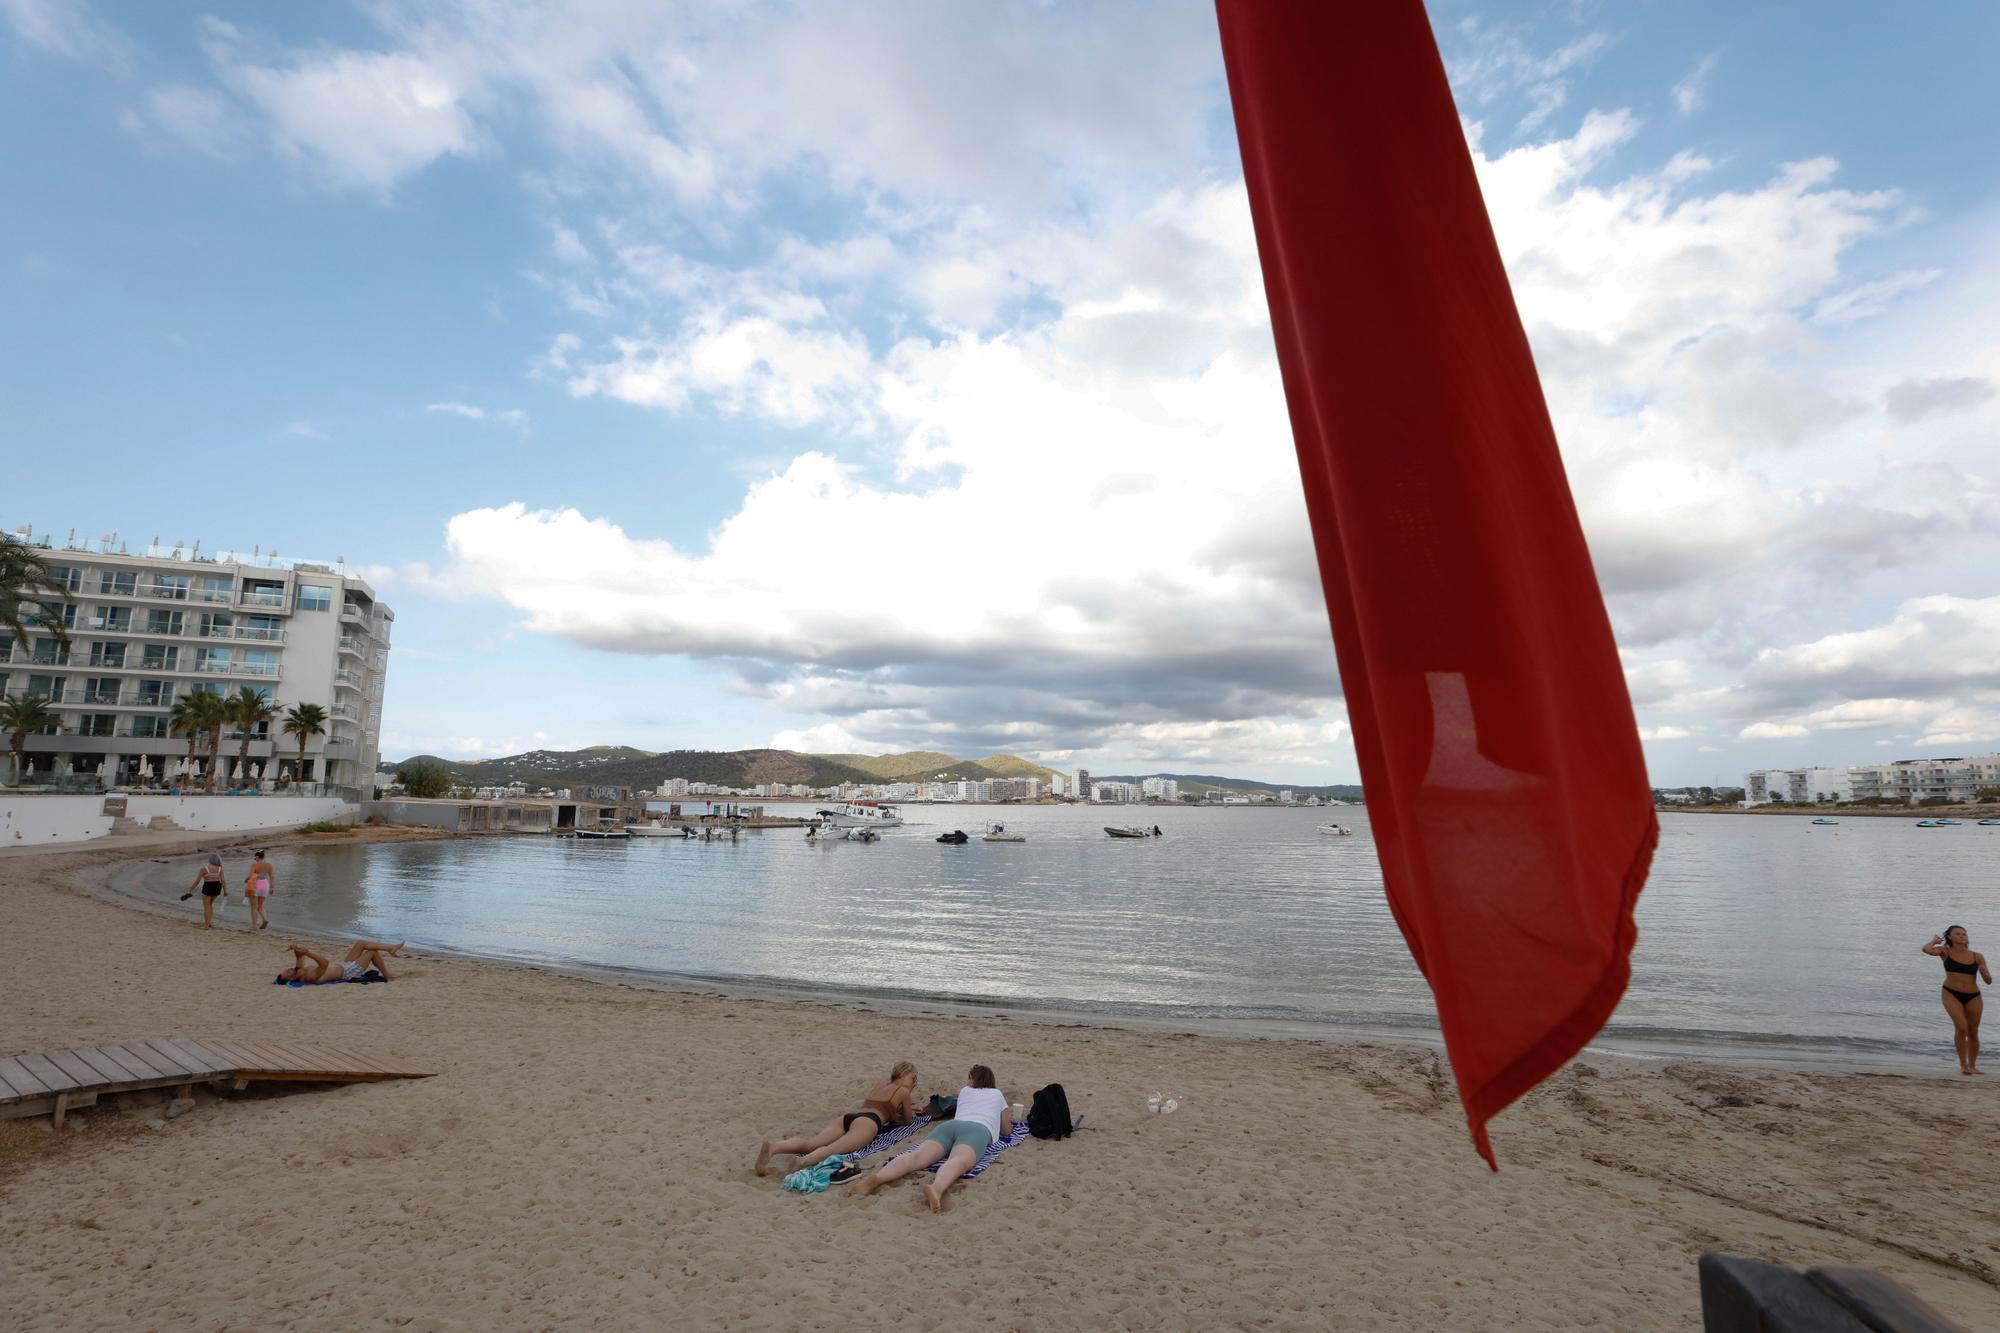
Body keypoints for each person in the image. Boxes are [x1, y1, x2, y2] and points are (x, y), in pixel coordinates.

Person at [846, 1063, 1014, 1212]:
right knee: (958, 1161)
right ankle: (936, 1188)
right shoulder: (997, 1094)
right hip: (977, 1129)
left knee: (916, 1156)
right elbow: (1006, 1131)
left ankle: (879, 1178)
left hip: (950, 1127)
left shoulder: (965, 1091)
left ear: (972, 1079)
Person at [755, 1062, 919, 1176]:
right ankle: (802, 1161)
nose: (915, 1083)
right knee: (833, 1149)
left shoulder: (880, 1085)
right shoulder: (903, 1092)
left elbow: (882, 1105)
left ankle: (774, 1147)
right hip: (868, 1123)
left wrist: (894, 1111)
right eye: (913, 1078)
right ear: (903, 1075)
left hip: (849, 1117)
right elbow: (907, 1121)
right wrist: (906, 1109)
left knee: (812, 1143)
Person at [1924, 926, 1991, 1075]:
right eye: (1958, 934)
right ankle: (1963, 1065)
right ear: (1950, 936)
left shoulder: (1977, 956)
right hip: (1950, 993)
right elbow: (1926, 950)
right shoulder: (1945, 951)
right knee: (1961, 1027)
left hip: (1973, 995)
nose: (1962, 936)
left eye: (1964, 934)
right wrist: (1933, 941)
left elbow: (1988, 981)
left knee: (1973, 1032)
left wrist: (1985, 974)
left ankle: (1972, 1065)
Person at [276, 939, 406, 984]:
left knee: (360, 943)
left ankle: (390, 948)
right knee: (372, 952)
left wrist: (295, 947)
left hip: (343, 965)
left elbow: (299, 957)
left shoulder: (298, 971)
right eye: (286, 973)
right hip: (348, 971)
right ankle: (387, 975)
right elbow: (325, 963)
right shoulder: (309, 976)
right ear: (290, 979)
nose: (287, 970)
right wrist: (308, 953)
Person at [187, 854, 226, 929]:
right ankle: (210, 922)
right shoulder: (220, 869)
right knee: (210, 904)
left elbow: (197, 881)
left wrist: (191, 890)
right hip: (217, 887)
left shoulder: (204, 869)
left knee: (206, 906)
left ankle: (206, 925)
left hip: (208, 886)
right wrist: (225, 891)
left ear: (210, 860)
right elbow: (223, 880)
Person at [243, 849, 276, 932]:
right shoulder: (269, 865)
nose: (255, 859)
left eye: (255, 858)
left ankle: (254, 926)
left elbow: (250, 876)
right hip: (265, 884)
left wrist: (246, 879)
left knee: (254, 906)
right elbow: (272, 876)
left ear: (257, 857)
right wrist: (272, 887)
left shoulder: (254, 865)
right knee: (260, 906)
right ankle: (265, 919)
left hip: (256, 884)